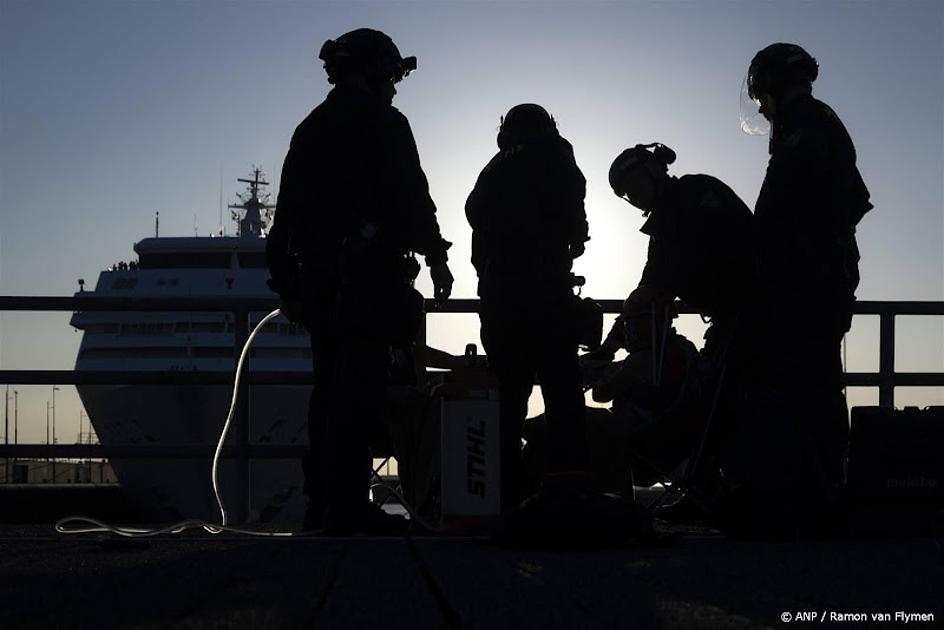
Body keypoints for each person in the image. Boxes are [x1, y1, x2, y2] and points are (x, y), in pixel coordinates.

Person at [266, 28, 454, 534]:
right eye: (390, 76)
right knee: (359, 390)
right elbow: (414, 197)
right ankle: (348, 508)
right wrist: (437, 257)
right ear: (371, 71)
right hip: (369, 281)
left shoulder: (311, 127)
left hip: (319, 284)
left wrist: (287, 283)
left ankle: (322, 504)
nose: (393, 87)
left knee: (328, 389)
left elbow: (286, 214)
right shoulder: (386, 123)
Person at [723, 43, 873, 536]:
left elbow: (791, 208)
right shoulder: (807, 124)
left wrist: (773, 253)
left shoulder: (806, 128)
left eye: (761, 95)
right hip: (809, 274)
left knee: (811, 378)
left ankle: (819, 491)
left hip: (811, 278)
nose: (761, 106)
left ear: (773, 84)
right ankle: (810, 487)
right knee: (806, 377)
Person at [465, 103, 590, 512]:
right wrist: (573, 238)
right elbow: (574, 209)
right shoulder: (555, 150)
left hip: (498, 295)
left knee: (508, 392)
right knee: (561, 388)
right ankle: (567, 488)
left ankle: (506, 493)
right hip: (545, 287)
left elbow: (474, 220)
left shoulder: (492, 168)